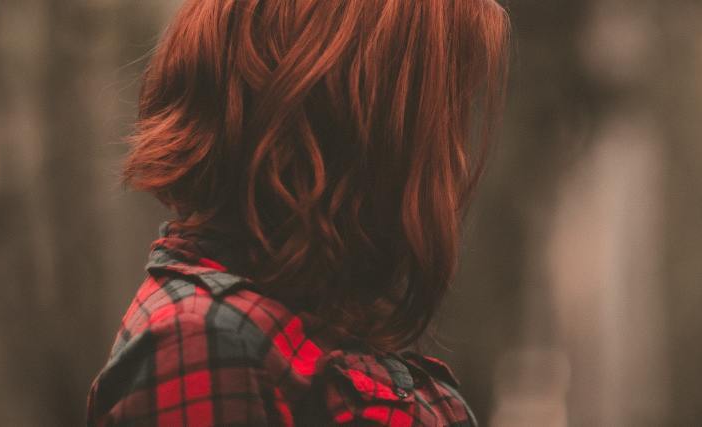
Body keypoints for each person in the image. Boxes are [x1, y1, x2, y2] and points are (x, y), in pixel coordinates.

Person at [87, 0, 510, 425]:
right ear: (346, 120)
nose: (453, 160)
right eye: (438, 118)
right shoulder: (205, 346)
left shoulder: (333, 344)